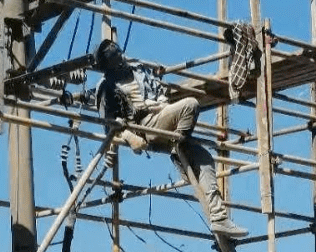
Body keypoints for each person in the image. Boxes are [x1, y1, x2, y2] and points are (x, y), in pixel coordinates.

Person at [92, 38, 248, 240]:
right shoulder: (106, 87)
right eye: (114, 55)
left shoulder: (136, 69)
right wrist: (129, 136)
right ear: (107, 63)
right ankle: (178, 147)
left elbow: (152, 78)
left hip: (165, 117)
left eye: (119, 51)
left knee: (205, 159)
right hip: (146, 124)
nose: (120, 56)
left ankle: (219, 217)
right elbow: (110, 125)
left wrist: (156, 72)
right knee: (190, 104)